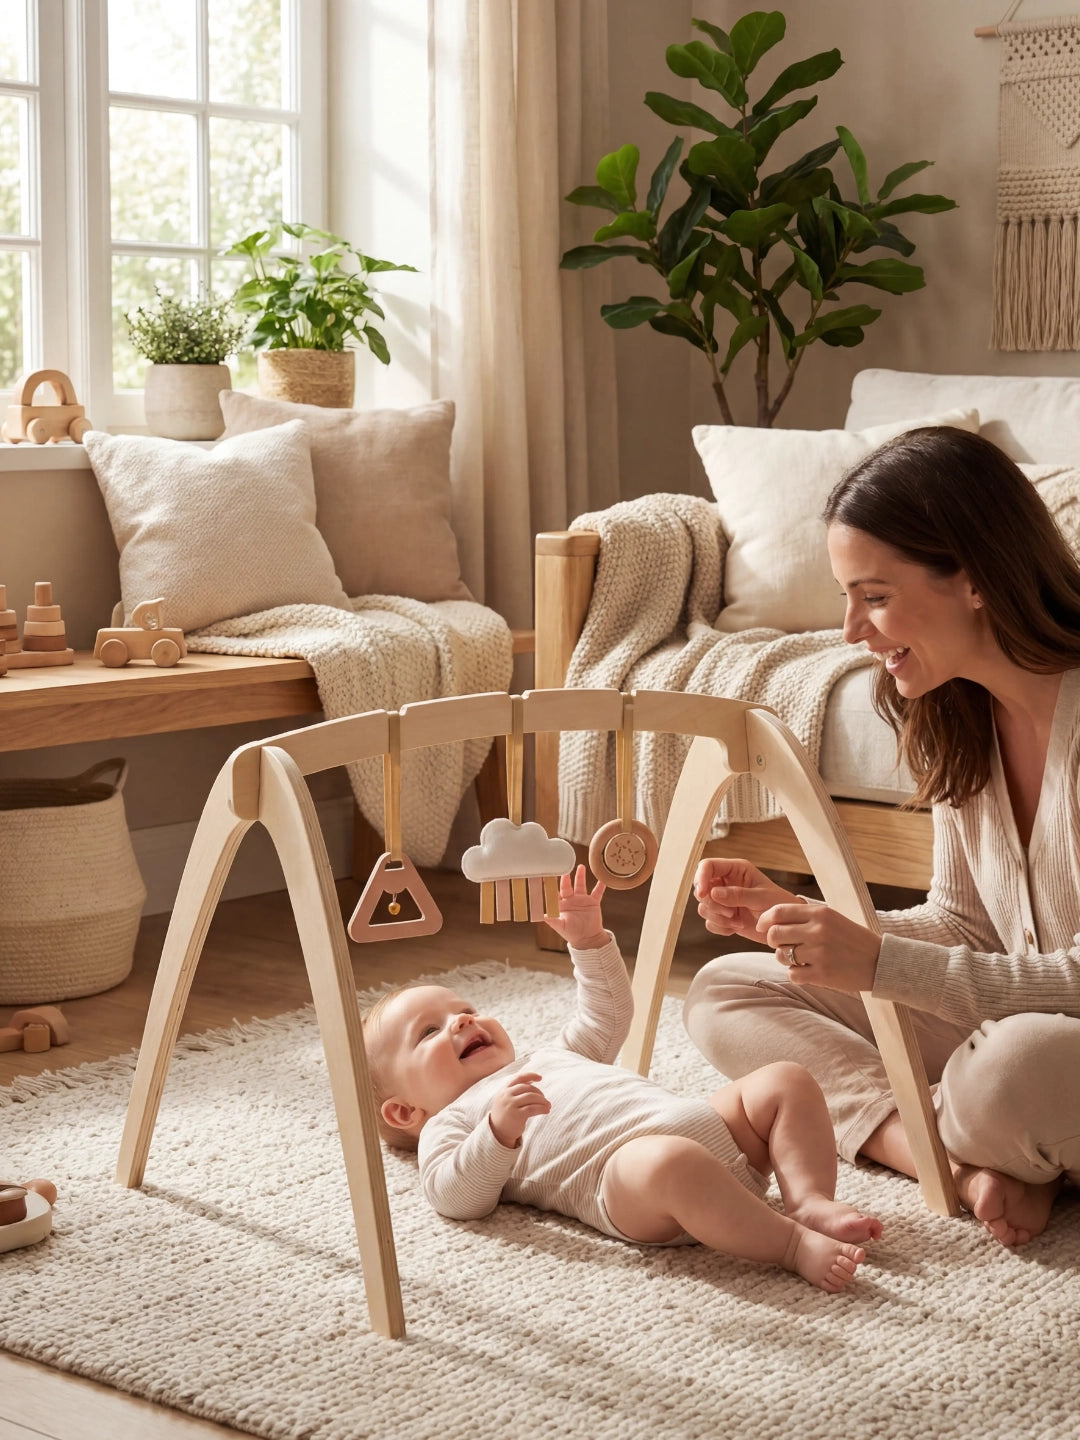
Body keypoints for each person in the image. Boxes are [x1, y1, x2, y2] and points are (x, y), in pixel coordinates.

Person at [683, 424, 1080, 1249]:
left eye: (873, 595)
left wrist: (879, 964)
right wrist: (805, 926)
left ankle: (972, 1130)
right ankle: (968, 1165)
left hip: (1041, 1046)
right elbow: (967, 926)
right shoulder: (959, 711)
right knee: (727, 988)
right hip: (1018, 1034)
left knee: (1015, 1065)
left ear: (972, 579)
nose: (850, 633)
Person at [363, 866, 881, 1292]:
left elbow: (608, 1016)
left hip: (706, 1127)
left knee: (786, 1081)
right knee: (667, 1160)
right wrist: (497, 1132)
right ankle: (790, 1244)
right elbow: (454, 1197)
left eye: (466, 1008)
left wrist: (590, 943)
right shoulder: (449, 1123)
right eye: (429, 1031)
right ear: (405, 1111)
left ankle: (808, 1200)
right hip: (627, 1185)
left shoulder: (549, 1056)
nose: (463, 1021)